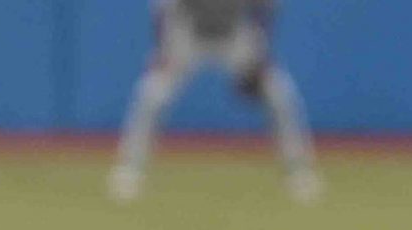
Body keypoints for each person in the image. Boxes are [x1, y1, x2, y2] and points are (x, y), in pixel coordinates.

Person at [110, 0, 322, 204]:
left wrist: (260, 56)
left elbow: (267, 9)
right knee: (152, 93)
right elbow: (163, 10)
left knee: (279, 94)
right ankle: (130, 169)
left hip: (234, 35)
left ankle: (298, 171)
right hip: (188, 34)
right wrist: (162, 50)